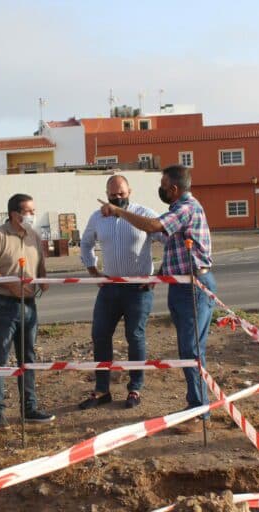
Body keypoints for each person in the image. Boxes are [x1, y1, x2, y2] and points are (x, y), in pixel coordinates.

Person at [98, 165, 216, 423]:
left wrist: (119, 211)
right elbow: (175, 250)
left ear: (173, 188)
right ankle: (195, 405)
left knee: (192, 350)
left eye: (163, 185)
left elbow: (153, 226)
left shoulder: (186, 209)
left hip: (192, 287)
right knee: (187, 349)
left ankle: (200, 413)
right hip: (180, 286)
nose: (160, 189)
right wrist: (159, 275)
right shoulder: (177, 209)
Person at [79, 175, 160, 410]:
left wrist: (159, 275)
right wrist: (93, 271)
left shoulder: (144, 214)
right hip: (110, 287)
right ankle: (102, 390)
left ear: (130, 192)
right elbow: (85, 243)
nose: (117, 198)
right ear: (106, 194)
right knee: (100, 335)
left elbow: (168, 239)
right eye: (113, 195)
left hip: (138, 288)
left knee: (135, 336)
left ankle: (135, 388)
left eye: (121, 194)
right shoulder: (97, 217)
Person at [0, 193, 55, 429]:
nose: (32, 215)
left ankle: (29, 408)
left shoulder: (34, 236)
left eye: (33, 211)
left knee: (28, 358)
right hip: (3, 305)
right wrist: (11, 284)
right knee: (0, 358)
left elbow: (40, 264)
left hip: (29, 305)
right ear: (15, 214)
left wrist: (43, 279)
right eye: (28, 211)